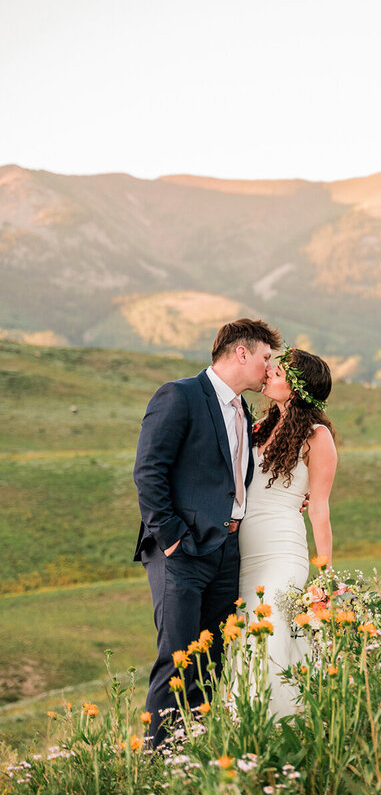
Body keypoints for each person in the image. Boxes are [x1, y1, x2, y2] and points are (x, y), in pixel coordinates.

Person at [133, 318, 281, 746]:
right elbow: (149, 471)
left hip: (225, 551)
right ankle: (157, 763)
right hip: (181, 551)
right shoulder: (179, 395)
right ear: (241, 353)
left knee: (212, 659)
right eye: (265, 357)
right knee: (177, 659)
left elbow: (230, 480)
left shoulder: (241, 409)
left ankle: (192, 752)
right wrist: (173, 539)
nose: (268, 368)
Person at [237, 346, 338, 716]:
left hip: (283, 550)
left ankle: (286, 726)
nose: (268, 375)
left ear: (295, 389)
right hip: (246, 555)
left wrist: (325, 575)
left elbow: (320, 508)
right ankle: (247, 729)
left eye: (278, 374)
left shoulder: (317, 436)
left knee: (275, 635)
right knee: (247, 642)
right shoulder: (259, 428)